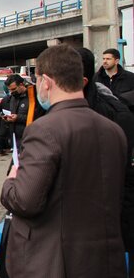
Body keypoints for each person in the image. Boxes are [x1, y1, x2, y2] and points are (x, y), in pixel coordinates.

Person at [1, 44, 127, 277]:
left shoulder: (44, 130)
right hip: (104, 260)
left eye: (37, 80)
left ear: (46, 82)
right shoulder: (113, 130)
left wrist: (10, 182)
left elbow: (25, 201)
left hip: (55, 261)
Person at [78, 47, 134, 274]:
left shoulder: (113, 108)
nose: (105, 61)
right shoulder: (98, 81)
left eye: (109, 58)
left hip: (112, 200)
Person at [3, 74, 43, 149]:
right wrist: (8, 118)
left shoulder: (33, 97)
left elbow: (37, 117)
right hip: (16, 138)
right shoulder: (13, 98)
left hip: (30, 137)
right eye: (9, 90)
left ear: (21, 85)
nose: (11, 92)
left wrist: (18, 117)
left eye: (14, 89)